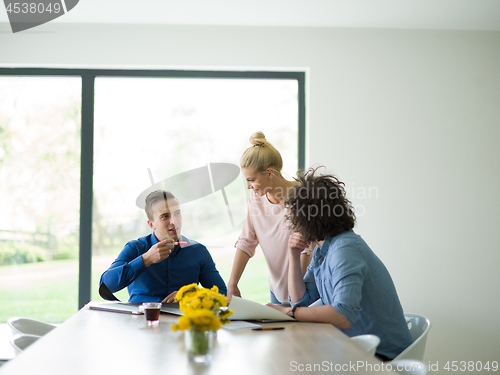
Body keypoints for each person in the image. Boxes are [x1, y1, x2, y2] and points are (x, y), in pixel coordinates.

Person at [267, 168, 413, 361]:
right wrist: (294, 257)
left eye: (296, 215)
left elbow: (343, 314)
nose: (293, 222)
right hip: (358, 349)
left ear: (308, 219)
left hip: (382, 358)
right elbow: (302, 302)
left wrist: (288, 312)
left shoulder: (345, 250)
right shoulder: (323, 250)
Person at [228, 131, 313, 304]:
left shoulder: (303, 196)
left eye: (251, 180)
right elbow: (247, 241)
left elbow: (308, 249)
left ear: (269, 173)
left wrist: (294, 293)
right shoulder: (256, 198)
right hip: (276, 289)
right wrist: (232, 283)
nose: (248, 186)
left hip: (304, 288)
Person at [99, 190, 227, 303]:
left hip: (183, 324)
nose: (174, 221)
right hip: (142, 321)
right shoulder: (135, 248)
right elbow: (106, 285)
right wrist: (145, 260)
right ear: (151, 224)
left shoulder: (198, 251)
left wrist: (192, 296)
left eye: (177, 213)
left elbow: (222, 292)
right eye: (165, 216)